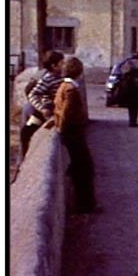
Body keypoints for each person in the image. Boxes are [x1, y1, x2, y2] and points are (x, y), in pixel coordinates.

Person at [46, 57, 96, 213]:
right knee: (84, 168)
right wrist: (62, 128)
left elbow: (59, 109)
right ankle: (85, 205)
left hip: (70, 133)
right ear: (79, 72)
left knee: (79, 167)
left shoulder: (63, 86)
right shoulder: (71, 89)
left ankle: (84, 204)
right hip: (73, 134)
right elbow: (66, 113)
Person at [21, 50, 65, 160]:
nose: (63, 66)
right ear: (54, 66)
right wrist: (42, 108)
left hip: (56, 110)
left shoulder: (62, 78)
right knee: (26, 132)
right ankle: (25, 159)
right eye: (61, 63)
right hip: (45, 110)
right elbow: (33, 94)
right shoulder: (47, 79)